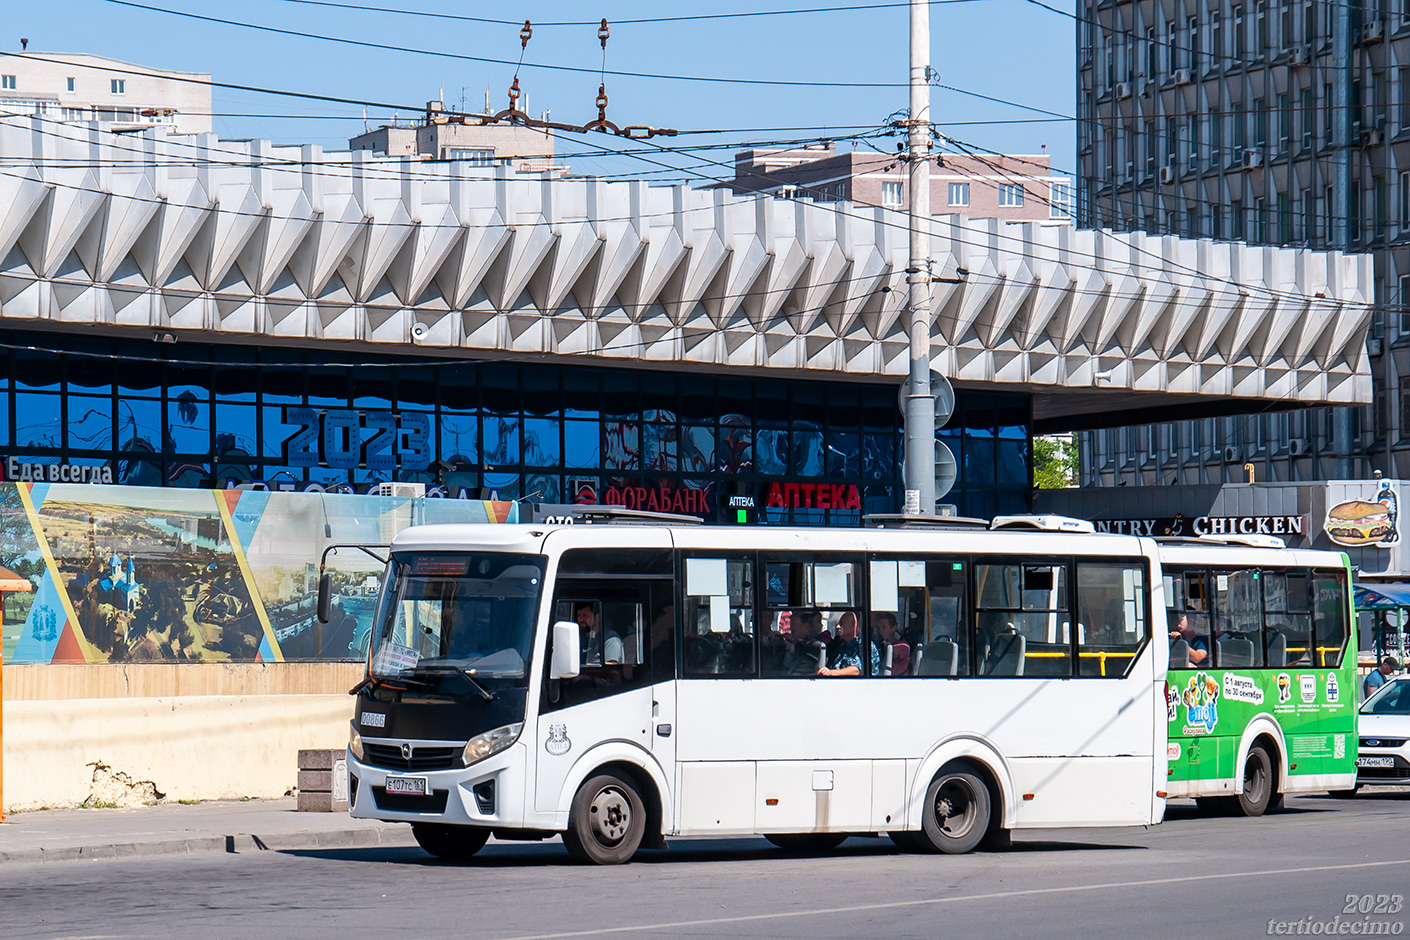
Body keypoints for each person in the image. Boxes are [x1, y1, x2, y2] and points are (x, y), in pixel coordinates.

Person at [820, 611, 879, 677]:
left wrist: (831, 673)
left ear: (854, 626)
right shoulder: (840, 644)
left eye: (842, 624)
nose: (837, 626)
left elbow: (856, 670)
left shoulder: (865, 645)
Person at [873, 612, 909, 676]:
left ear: (894, 628)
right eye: (878, 628)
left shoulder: (903, 646)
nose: (880, 631)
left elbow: (891, 652)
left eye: (884, 627)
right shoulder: (877, 643)